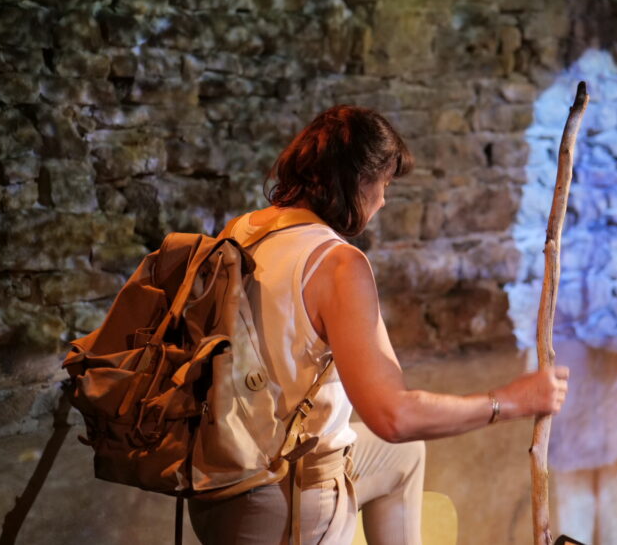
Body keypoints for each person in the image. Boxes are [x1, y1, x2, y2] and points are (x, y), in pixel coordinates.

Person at [188, 105, 569, 545]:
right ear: (356, 180)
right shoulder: (337, 263)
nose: (384, 199)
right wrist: (509, 401)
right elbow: (393, 414)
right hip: (281, 507)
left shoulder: (242, 229)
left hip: (214, 488)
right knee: (396, 434)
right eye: (384, 182)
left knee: (400, 455)